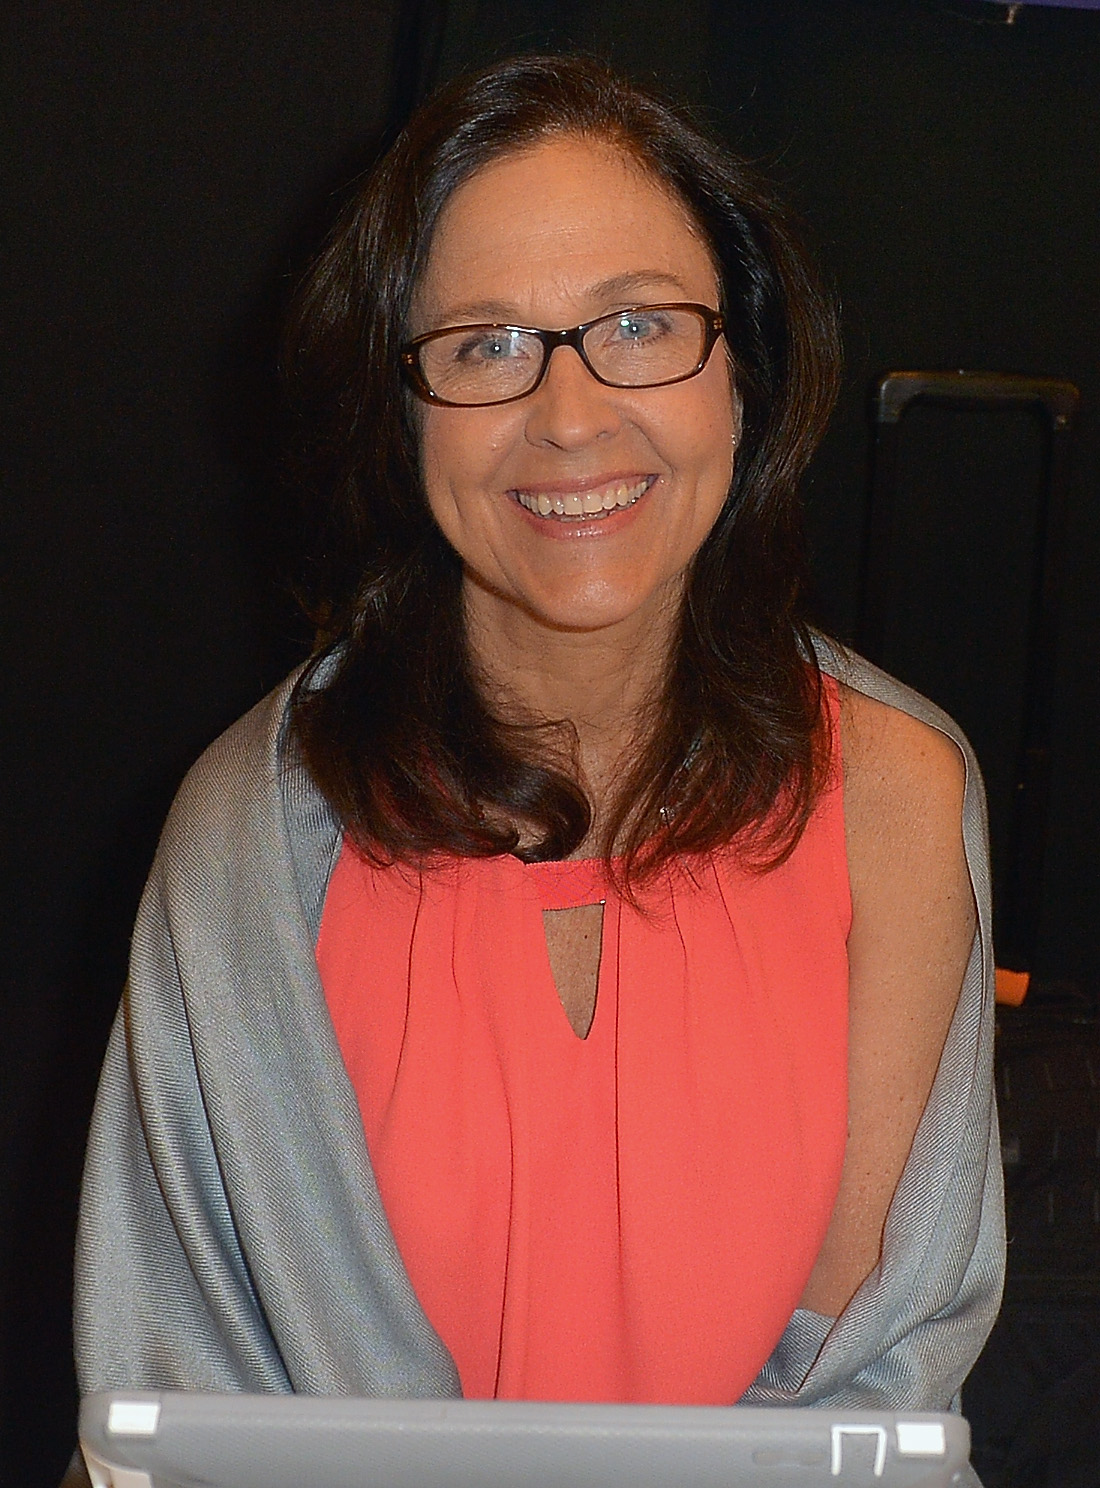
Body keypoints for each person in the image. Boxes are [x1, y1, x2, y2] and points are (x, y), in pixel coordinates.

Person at [74, 54, 1002, 1422]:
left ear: (740, 370)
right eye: (486, 346)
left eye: (638, 326)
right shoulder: (254, 836)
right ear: (399, 416)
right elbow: (186, 1398)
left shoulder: (899, 795)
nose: (569, 419)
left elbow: (872, 1390)